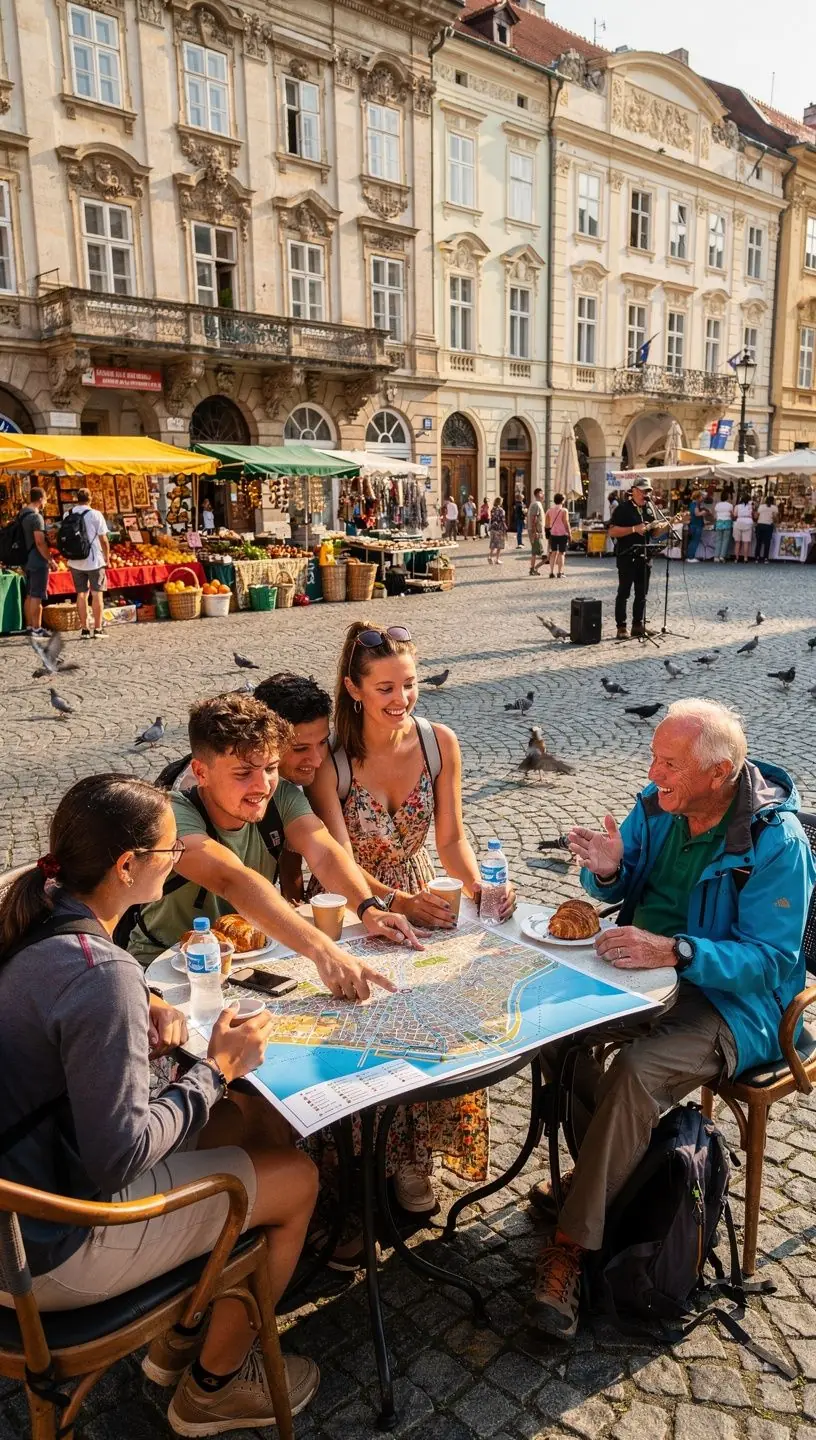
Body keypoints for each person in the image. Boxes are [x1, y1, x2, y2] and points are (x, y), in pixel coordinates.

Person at [0, 774, 322, 1432]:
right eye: (171, 852)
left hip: (23, 1193)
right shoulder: (100, 972)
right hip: (45, 1252)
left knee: (252, 1121)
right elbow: (120, 1157)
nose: (179, 864)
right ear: (127, 866)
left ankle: (181, 1335)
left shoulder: (30, 909)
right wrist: (216, 1068)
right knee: (298, 1179)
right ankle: (213, 1386)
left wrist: (144, 1007)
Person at [528, 699, 815, 1340]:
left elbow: (771, 962)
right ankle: (606, 1176)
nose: (653, 773)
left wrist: (678, 950)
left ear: (720, 773)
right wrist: (607, 870)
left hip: (734, 1005)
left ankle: (572, 1248)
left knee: (634, 1071)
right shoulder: (660, 803)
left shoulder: (775, 841)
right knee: (552, 1036)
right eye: (655, 756)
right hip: (639, 973)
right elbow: (619, 881)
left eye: (670, 763)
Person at [308, 621, 516, 1213]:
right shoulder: (335, 761)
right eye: (385, 689)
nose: (401, 700)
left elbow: (450, 839)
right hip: (359, 904)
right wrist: (392, 902)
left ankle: (415, 1159)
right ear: (353, 689)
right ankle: (358, 1163)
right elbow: (339, 861)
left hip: (427, 893)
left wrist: (480, 890)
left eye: (410, 684)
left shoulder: (437, 742)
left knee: (435, 1023)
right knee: (365, 1031)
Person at [128, 694, 418, 987]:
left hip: (247, 966)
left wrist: (369, 908)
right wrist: (323, 950)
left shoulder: (283, 797)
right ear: (201, 773)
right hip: (163, 970)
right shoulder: (172, 814)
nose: (262, 785)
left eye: (270, 768)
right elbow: (232, 880)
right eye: (243, 773)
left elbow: (324, 853)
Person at [608, 477, 668, 640]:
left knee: (642, 594)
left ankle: (638, 625)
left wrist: (667, 526)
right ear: (633, 491)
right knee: (624, 593)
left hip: (645, 557)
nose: (646, 493)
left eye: (648, 490)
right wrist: (634, 529)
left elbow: (653, 533)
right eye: (643, 490)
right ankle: (621, 627)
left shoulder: (650, 508)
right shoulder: (622, 508)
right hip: (627, 556)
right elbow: (612, 532)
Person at [66, 487, 110, 639]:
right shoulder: (96, 514)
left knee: (81, 594)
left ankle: (84, 629)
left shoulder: (68, 514)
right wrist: (107, 557)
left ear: (77, 499)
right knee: (97, 593)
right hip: (94, 560)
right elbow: (103, 539)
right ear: (90, 499)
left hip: (74, 560)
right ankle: (97, 629)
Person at [20, 486, 57, 636]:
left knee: (29, 594)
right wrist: (50, 560)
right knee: (37, 595)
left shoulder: (22, 514)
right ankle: (37, 628)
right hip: (37, 559)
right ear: (41, 499)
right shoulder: (36, 517)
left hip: (26, 559)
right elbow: (40, 542)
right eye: (46, 498)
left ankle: (29, 625)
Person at [545, 492, 571, 579]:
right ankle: (560, 572)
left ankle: (551, 572)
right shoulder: (564, 510)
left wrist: (547, 533)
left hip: (553, 534)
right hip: (562, 534)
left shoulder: (549, 510)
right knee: (561, 553)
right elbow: (566, 523)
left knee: (553, 553)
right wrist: (570, 533)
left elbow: (547, 524)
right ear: (562, 501)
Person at [526, 488, 545, 575]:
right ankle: (533, 568)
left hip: (536, 531)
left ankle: (532, 568)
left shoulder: (536, 504)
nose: (543, 495)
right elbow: (534, 519)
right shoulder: (536, 504)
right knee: (544, 554)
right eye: (542, 493)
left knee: (535, 551)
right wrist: (535, 532)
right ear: (538, 494)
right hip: (535, 531)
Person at [755, 494, 778, 564]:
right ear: (773, 501)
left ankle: (757, 557)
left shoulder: (761, 506)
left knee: (758, 542)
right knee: (767, 543)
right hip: (768, 526)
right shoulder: (774, 508)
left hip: (760, 525)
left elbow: (756, 516)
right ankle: (765, 558)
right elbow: (775, 518)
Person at [733, 491, 755, 563]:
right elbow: (753, 513)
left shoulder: (737, 506)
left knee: (737, 542)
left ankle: (736, 558)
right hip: (748, 522)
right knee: (746, 542)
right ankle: (745, 558)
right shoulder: (751, 506)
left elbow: (735, 515)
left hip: (739, 522)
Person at [712, 491, 734, 563]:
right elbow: (732, 515)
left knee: (718, 540)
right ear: (728, 497)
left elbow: (715, 515)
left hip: (719, 522)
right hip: (727, 522)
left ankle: (716, 557)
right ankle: (722, 556)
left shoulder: (717, 505)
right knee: (725, 540)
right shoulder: (730, 505)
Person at [685, 489, 705, 563]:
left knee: (692, 541)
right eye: (701, 497)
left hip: (693, 524)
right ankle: (691, 557)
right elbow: (697, 514)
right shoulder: (696, 504)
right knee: (695, 541)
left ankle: (689, 556)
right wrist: (703, 512)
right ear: (698, 497)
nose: (702, 498)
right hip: (696, 525)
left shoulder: (692, 504)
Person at [488, 497, 508, 565]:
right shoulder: (501, 510)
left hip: (493, 528)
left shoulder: (492, 509)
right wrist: (505, 526)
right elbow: (502, 519)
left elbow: (492, 518)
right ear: (500, 502)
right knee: (499, 545)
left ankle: (490, 556)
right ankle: (497, 559)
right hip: (499, 528)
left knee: (493, 543)